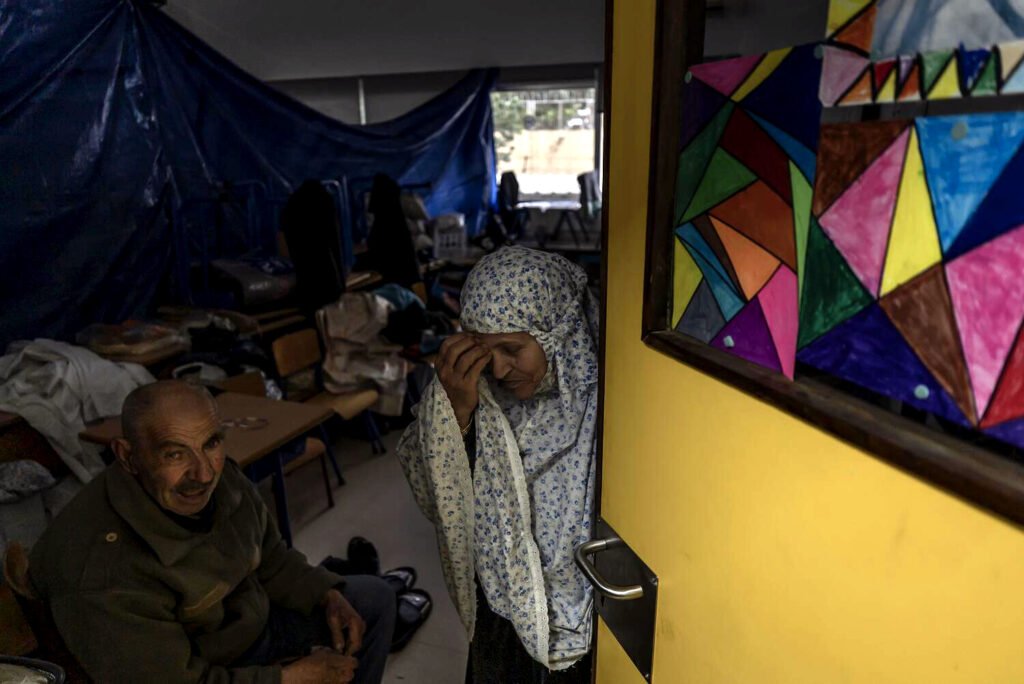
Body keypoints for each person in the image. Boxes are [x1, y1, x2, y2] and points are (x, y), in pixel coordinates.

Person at [28, 381, 395, 684]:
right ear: (127, 456)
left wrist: (325, 593)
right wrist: (288, 678)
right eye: (175, 454)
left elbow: (271, 558)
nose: (203, 475)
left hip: (245, 626)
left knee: (372, 598)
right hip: (201, 666)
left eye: (212, 444)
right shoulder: (103, 572)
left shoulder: (222, 481)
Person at [397, 246, 599, 683]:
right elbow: (435, 491)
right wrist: (457, 415)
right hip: (500, 603)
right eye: (486, 351)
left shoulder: (600, 402)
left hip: (580, 619)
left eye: (513, 348)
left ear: (555, 332)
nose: (501, 369)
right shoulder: (472, 388)